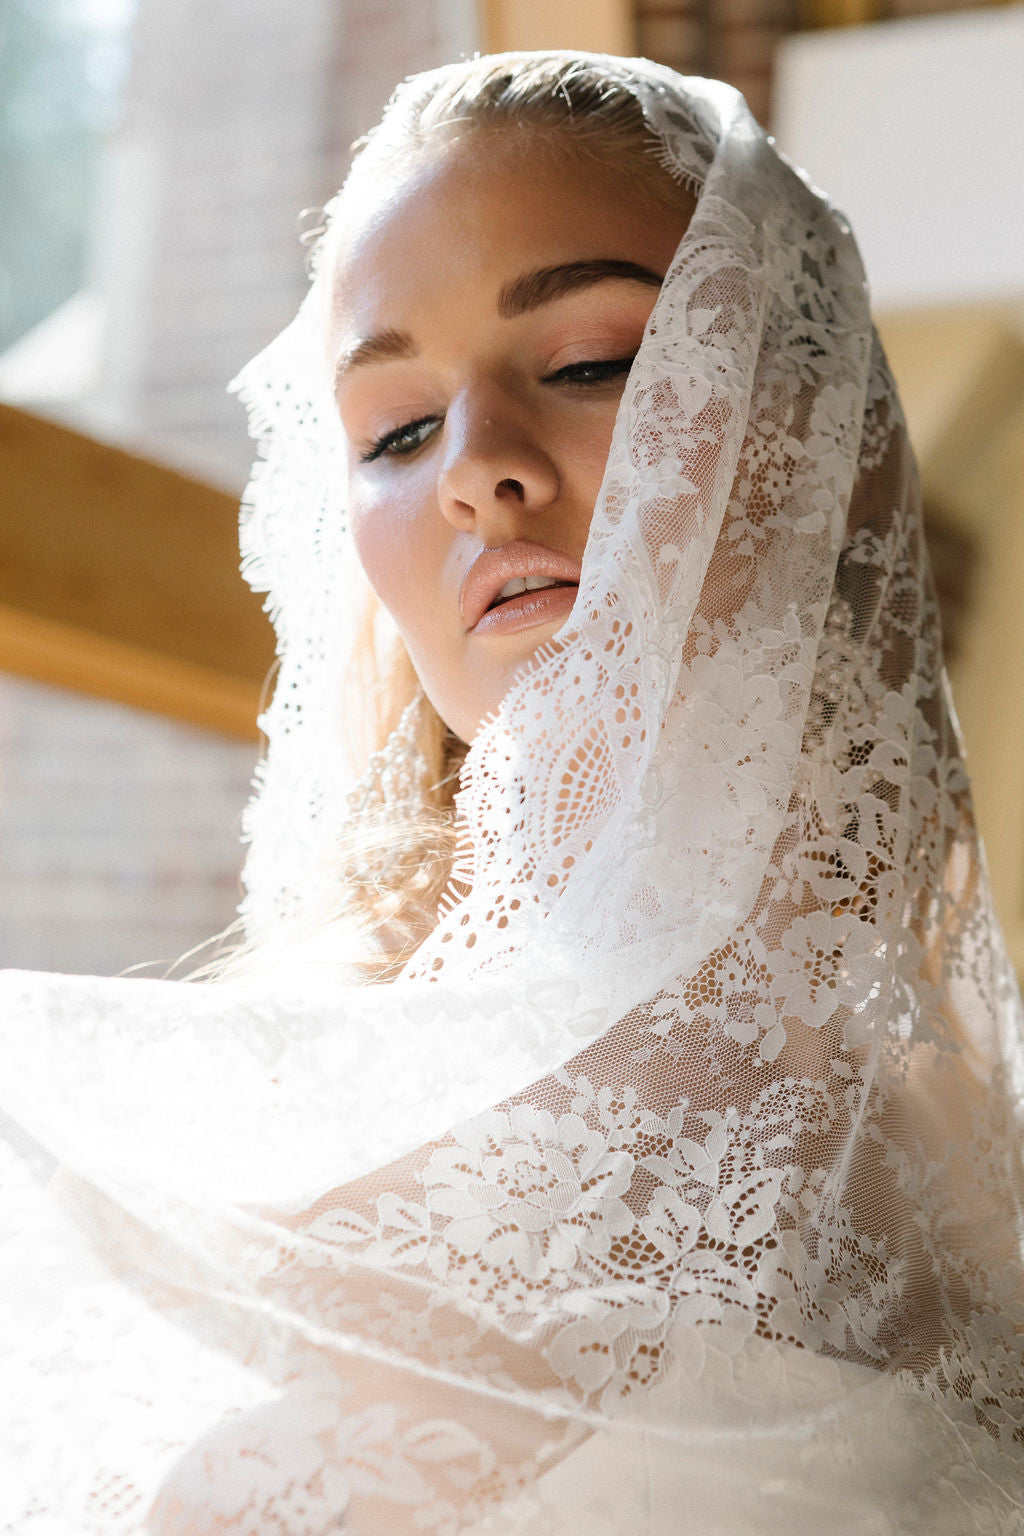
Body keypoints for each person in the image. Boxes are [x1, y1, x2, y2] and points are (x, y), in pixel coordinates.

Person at [1, 50, 1023, 1535]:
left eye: (592, 362)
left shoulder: (966, 1177)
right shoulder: (249, 1112)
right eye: (396, 433)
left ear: (823, 449)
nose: (477, 471)